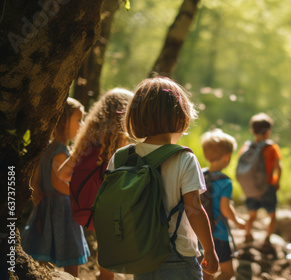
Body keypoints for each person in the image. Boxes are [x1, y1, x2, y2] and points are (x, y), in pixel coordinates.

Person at [107, 77, 218, 279]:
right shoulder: (184, 158)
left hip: (138, 253)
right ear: (180, 116)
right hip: (178, 255)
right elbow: (194, 208)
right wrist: (209, 250)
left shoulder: (121, 157)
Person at [57, 88, 133, 280]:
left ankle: (105, 275)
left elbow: (63, 173)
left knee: (105, 241)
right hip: (114, 210)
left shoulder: (87, 144)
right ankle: (106, 275)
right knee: (110, 245)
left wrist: (78, 193)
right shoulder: (123, 149)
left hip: (89, 210)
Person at [22, 97, 90, 277]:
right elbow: (58, 184)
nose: (81, 125)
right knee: (71, 252)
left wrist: (38, 199)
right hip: (64, 211)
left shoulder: (46, 149)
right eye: (78, 120)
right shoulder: (60, 152)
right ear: (62, 121)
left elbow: (35, 181)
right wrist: (80, 195)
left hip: (45, 208)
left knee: (42, 249)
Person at [200, 129, 246, 280]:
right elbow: (225, 208)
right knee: (228, 272)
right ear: (227, 157)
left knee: (207, 271)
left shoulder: (200, 174)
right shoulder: (225, 181)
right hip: (219, 235)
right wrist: (237, 221)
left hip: (201, 232)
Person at [239, 113, 282, 249]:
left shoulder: (246, 147)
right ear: (268, 131)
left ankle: (247, 235)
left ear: (252, 130)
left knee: (252, 215)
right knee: (272, 215)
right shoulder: (271, 147)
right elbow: (278, 167)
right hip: (267, 187)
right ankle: (267, 239)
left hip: (251, 188)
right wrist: (277, 182)